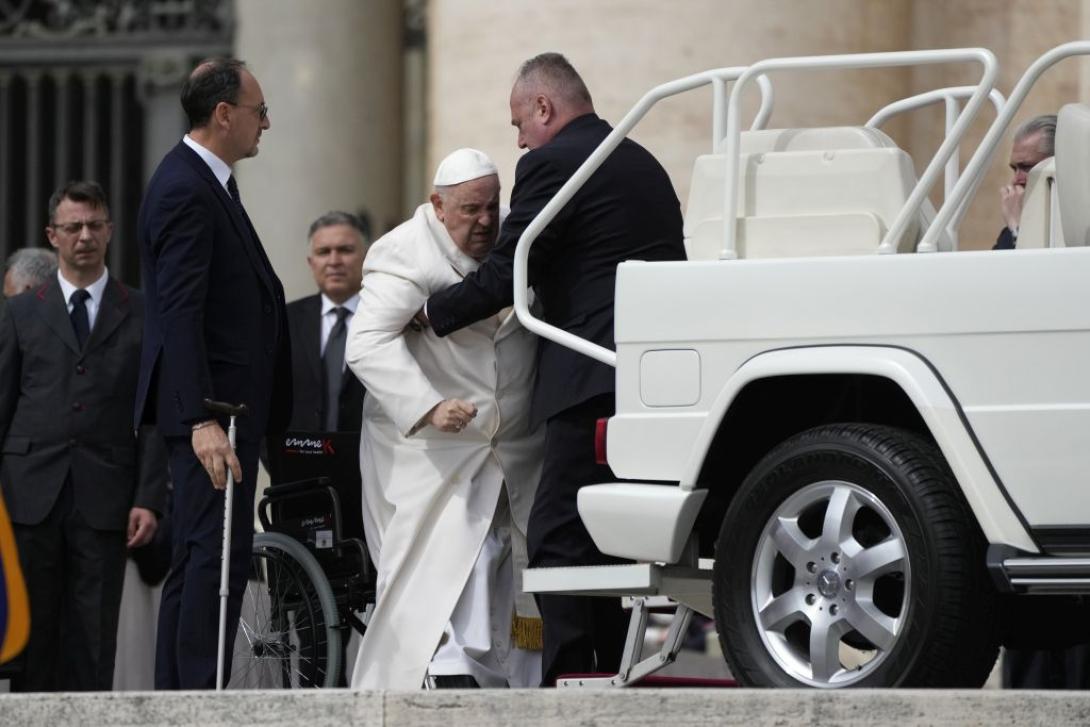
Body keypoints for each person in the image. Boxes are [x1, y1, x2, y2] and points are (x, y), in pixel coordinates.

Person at [423, 54, 686, 684]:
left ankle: (567, 683)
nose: (517, 139)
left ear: (544, 108)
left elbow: (508, 272)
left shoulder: (552, 163)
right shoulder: (640, 160)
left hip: (587, 379)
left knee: (556, 536)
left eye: (519, 122)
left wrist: (430, 314)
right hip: (647, 380)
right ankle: (622, 676)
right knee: (614, 540)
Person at [346, 148, 544, 689]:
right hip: (435, 455)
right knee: (452, 569)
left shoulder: (514, 237)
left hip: (513, 448)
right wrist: (428, 406)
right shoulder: (404, 252)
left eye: (491, 206)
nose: (484, 221)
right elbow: (364, 345)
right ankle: (448, 676)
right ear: (438, 205)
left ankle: (511, 688)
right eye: (469, 209)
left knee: (509, 569)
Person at [134, 57, 292, 690]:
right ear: (224, 115)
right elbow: (178, 311)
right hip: (212, 414)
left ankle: (182, 694)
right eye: (259, 111)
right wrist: (200, 418)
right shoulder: (184, 187)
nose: (266, 123)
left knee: (205, 557)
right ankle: (196, 698)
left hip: (227, 409)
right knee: (212, 559)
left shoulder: (209, 183)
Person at [0, 180, 167, 691]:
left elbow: (157, 413)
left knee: (94, 637)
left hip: (107, 495)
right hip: (30, 495)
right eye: (73, 227)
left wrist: (149, 498)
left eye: (95, 225)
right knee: (33, 637)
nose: (85, 236)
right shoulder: (20, 312)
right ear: (53, 235)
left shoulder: (142, 310)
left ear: (111, 230)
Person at [286, 211, 369, 432]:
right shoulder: (285, 321)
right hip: (299, 460)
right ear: (311, 263)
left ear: (367, 257)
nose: (334, 261)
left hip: (371, 461)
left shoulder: (390, 318)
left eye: (345, 250)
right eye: (324, 252)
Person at [994, 114, 1056, 250]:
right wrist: (1016, 228)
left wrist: (1017, 227)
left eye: (1026, 167)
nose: (1015, 180)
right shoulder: (1008, 235)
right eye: (1014, 168)